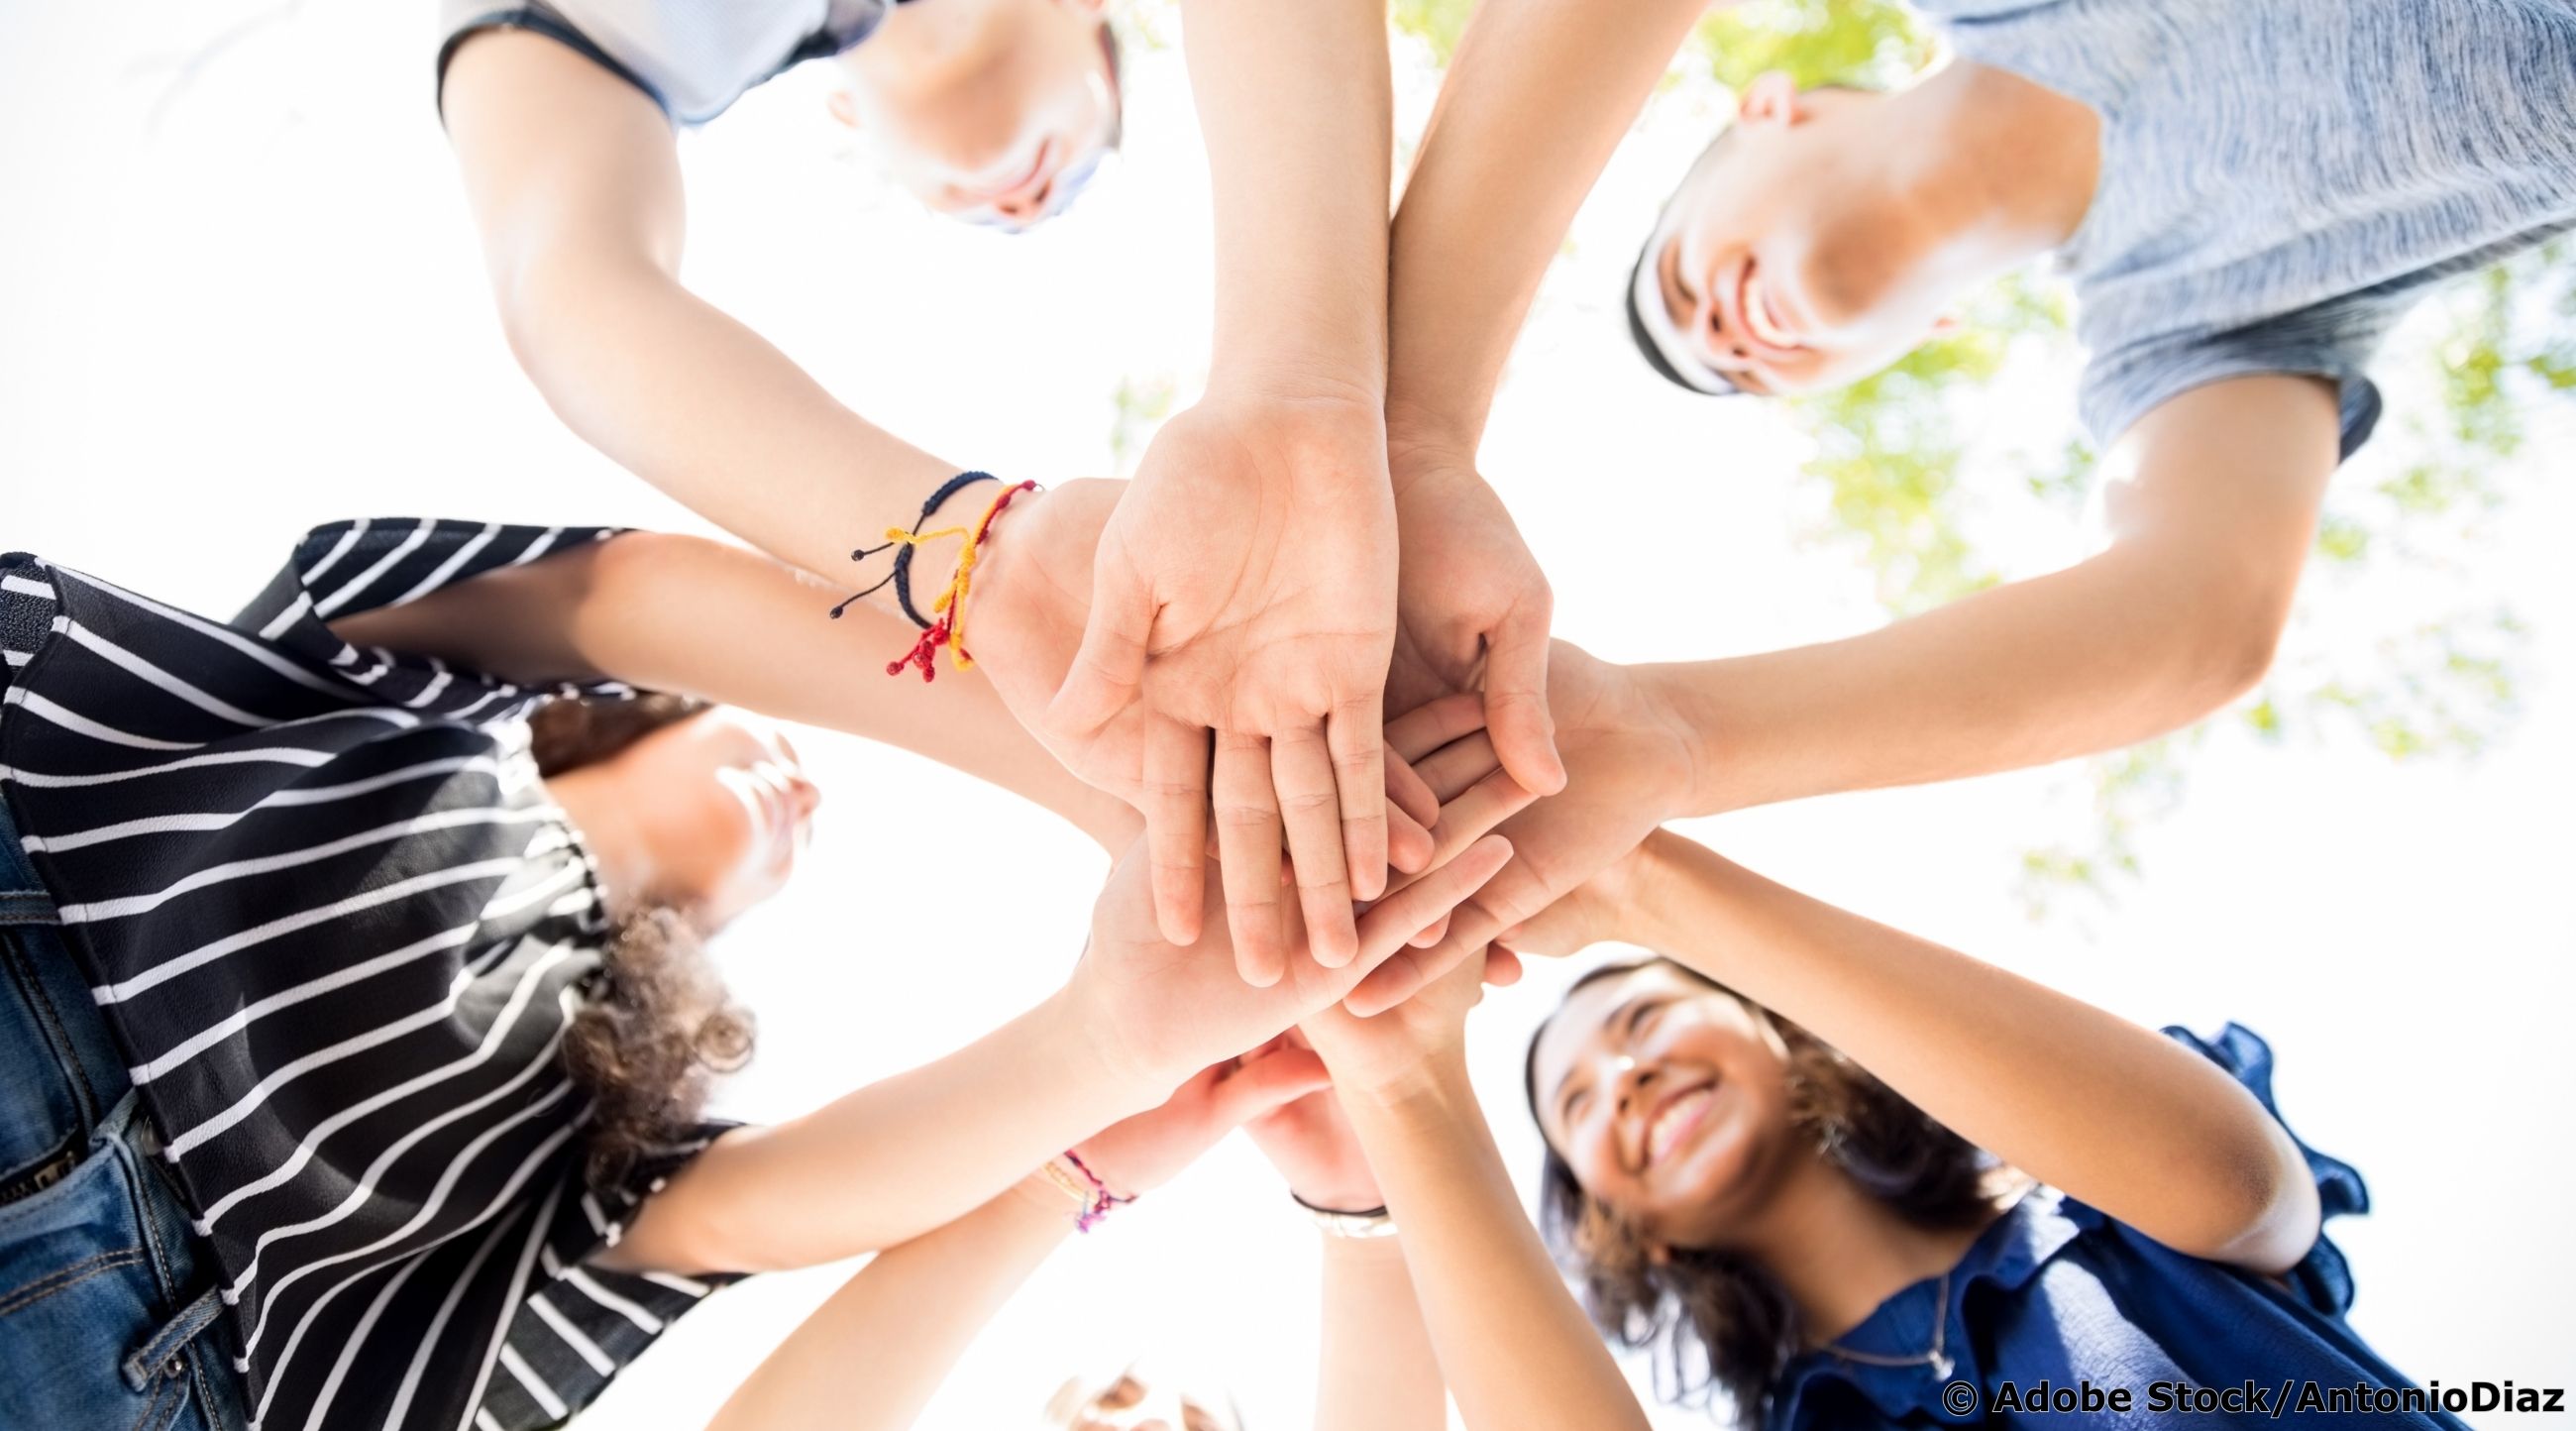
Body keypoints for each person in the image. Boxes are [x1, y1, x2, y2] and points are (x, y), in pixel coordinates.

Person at [0, 518, 1521, 1430]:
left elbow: (740, 1219)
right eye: (763, 741)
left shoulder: (579, 1138)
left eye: (798, 849)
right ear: (630, 718)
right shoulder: (373, 698)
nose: (803, 791)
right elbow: (629, 592)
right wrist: (1122, 790)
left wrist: (1111, 1043)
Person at [1335, 0, 2576, 984]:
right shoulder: (2190, 328)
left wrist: (1416, 437)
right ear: (1925, 334)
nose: (1718, 336)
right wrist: (1666, 740)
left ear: (1773, 109)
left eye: (1680, 276)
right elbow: (2198, 617)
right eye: (1733, 373)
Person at [442, 0, 1529, 969]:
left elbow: (571, 299)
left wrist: (983, 564)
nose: (1021, 203)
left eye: (994, 216)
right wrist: (1301, 387)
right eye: (1086, 155)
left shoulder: (634, 36)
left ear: (850, 126)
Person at [1257, 811, 2470, 1427]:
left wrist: (1635, 875)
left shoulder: (2100, 1200)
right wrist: (1403, 1084)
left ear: (1780, 1032)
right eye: (1576, 1106)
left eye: (1639, 1023)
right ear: (1629, 1229)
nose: (1620, 1080)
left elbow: (2235, 1185)